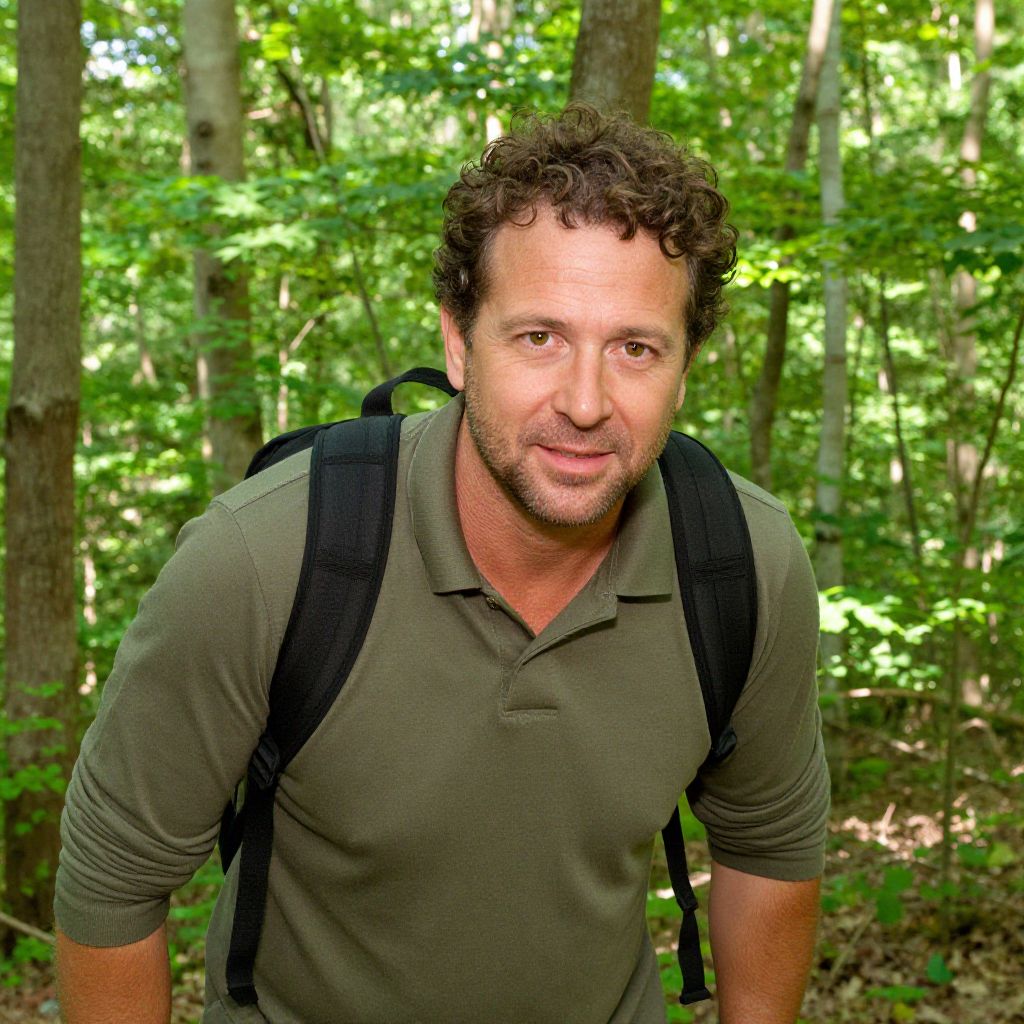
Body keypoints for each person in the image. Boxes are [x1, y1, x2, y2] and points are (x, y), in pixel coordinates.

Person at [55, 104, 829, 1024]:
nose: (585, 402)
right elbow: (112, 875)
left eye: (634, 348)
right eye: (538, 336)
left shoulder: (741, 566)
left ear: (686, 364)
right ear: (459, 344)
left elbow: (771, 846)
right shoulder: (269, 561)